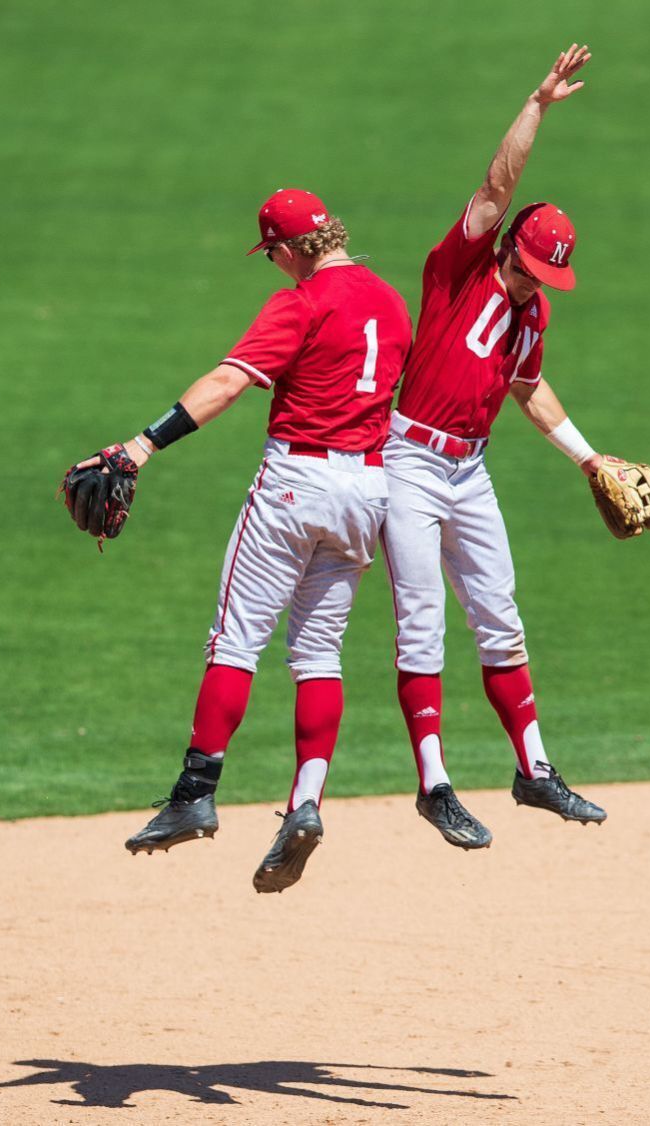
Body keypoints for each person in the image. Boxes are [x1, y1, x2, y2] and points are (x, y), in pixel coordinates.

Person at [93, 189, 412, 893]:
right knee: (319, 652)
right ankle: (305, 803)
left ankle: (193, 794)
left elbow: (229, 381)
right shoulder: (391, 302)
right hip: (368, 489)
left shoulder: (298, 303)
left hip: (295, 484)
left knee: (235, 641)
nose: (271, 264)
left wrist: (143, 445)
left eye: (270, 251)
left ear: (294, 247)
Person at [382, 44, 611, 849]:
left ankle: (533, 770)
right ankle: (434, 782)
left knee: (500, 620)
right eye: (533, 271)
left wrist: (590, 457)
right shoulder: (458, 268)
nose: (536, 287)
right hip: (407, 462)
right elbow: (496, 186)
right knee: (421, 622)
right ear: (510, 246)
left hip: (469, 471)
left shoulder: (531, 316)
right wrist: (537, 104)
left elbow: (527, 389)